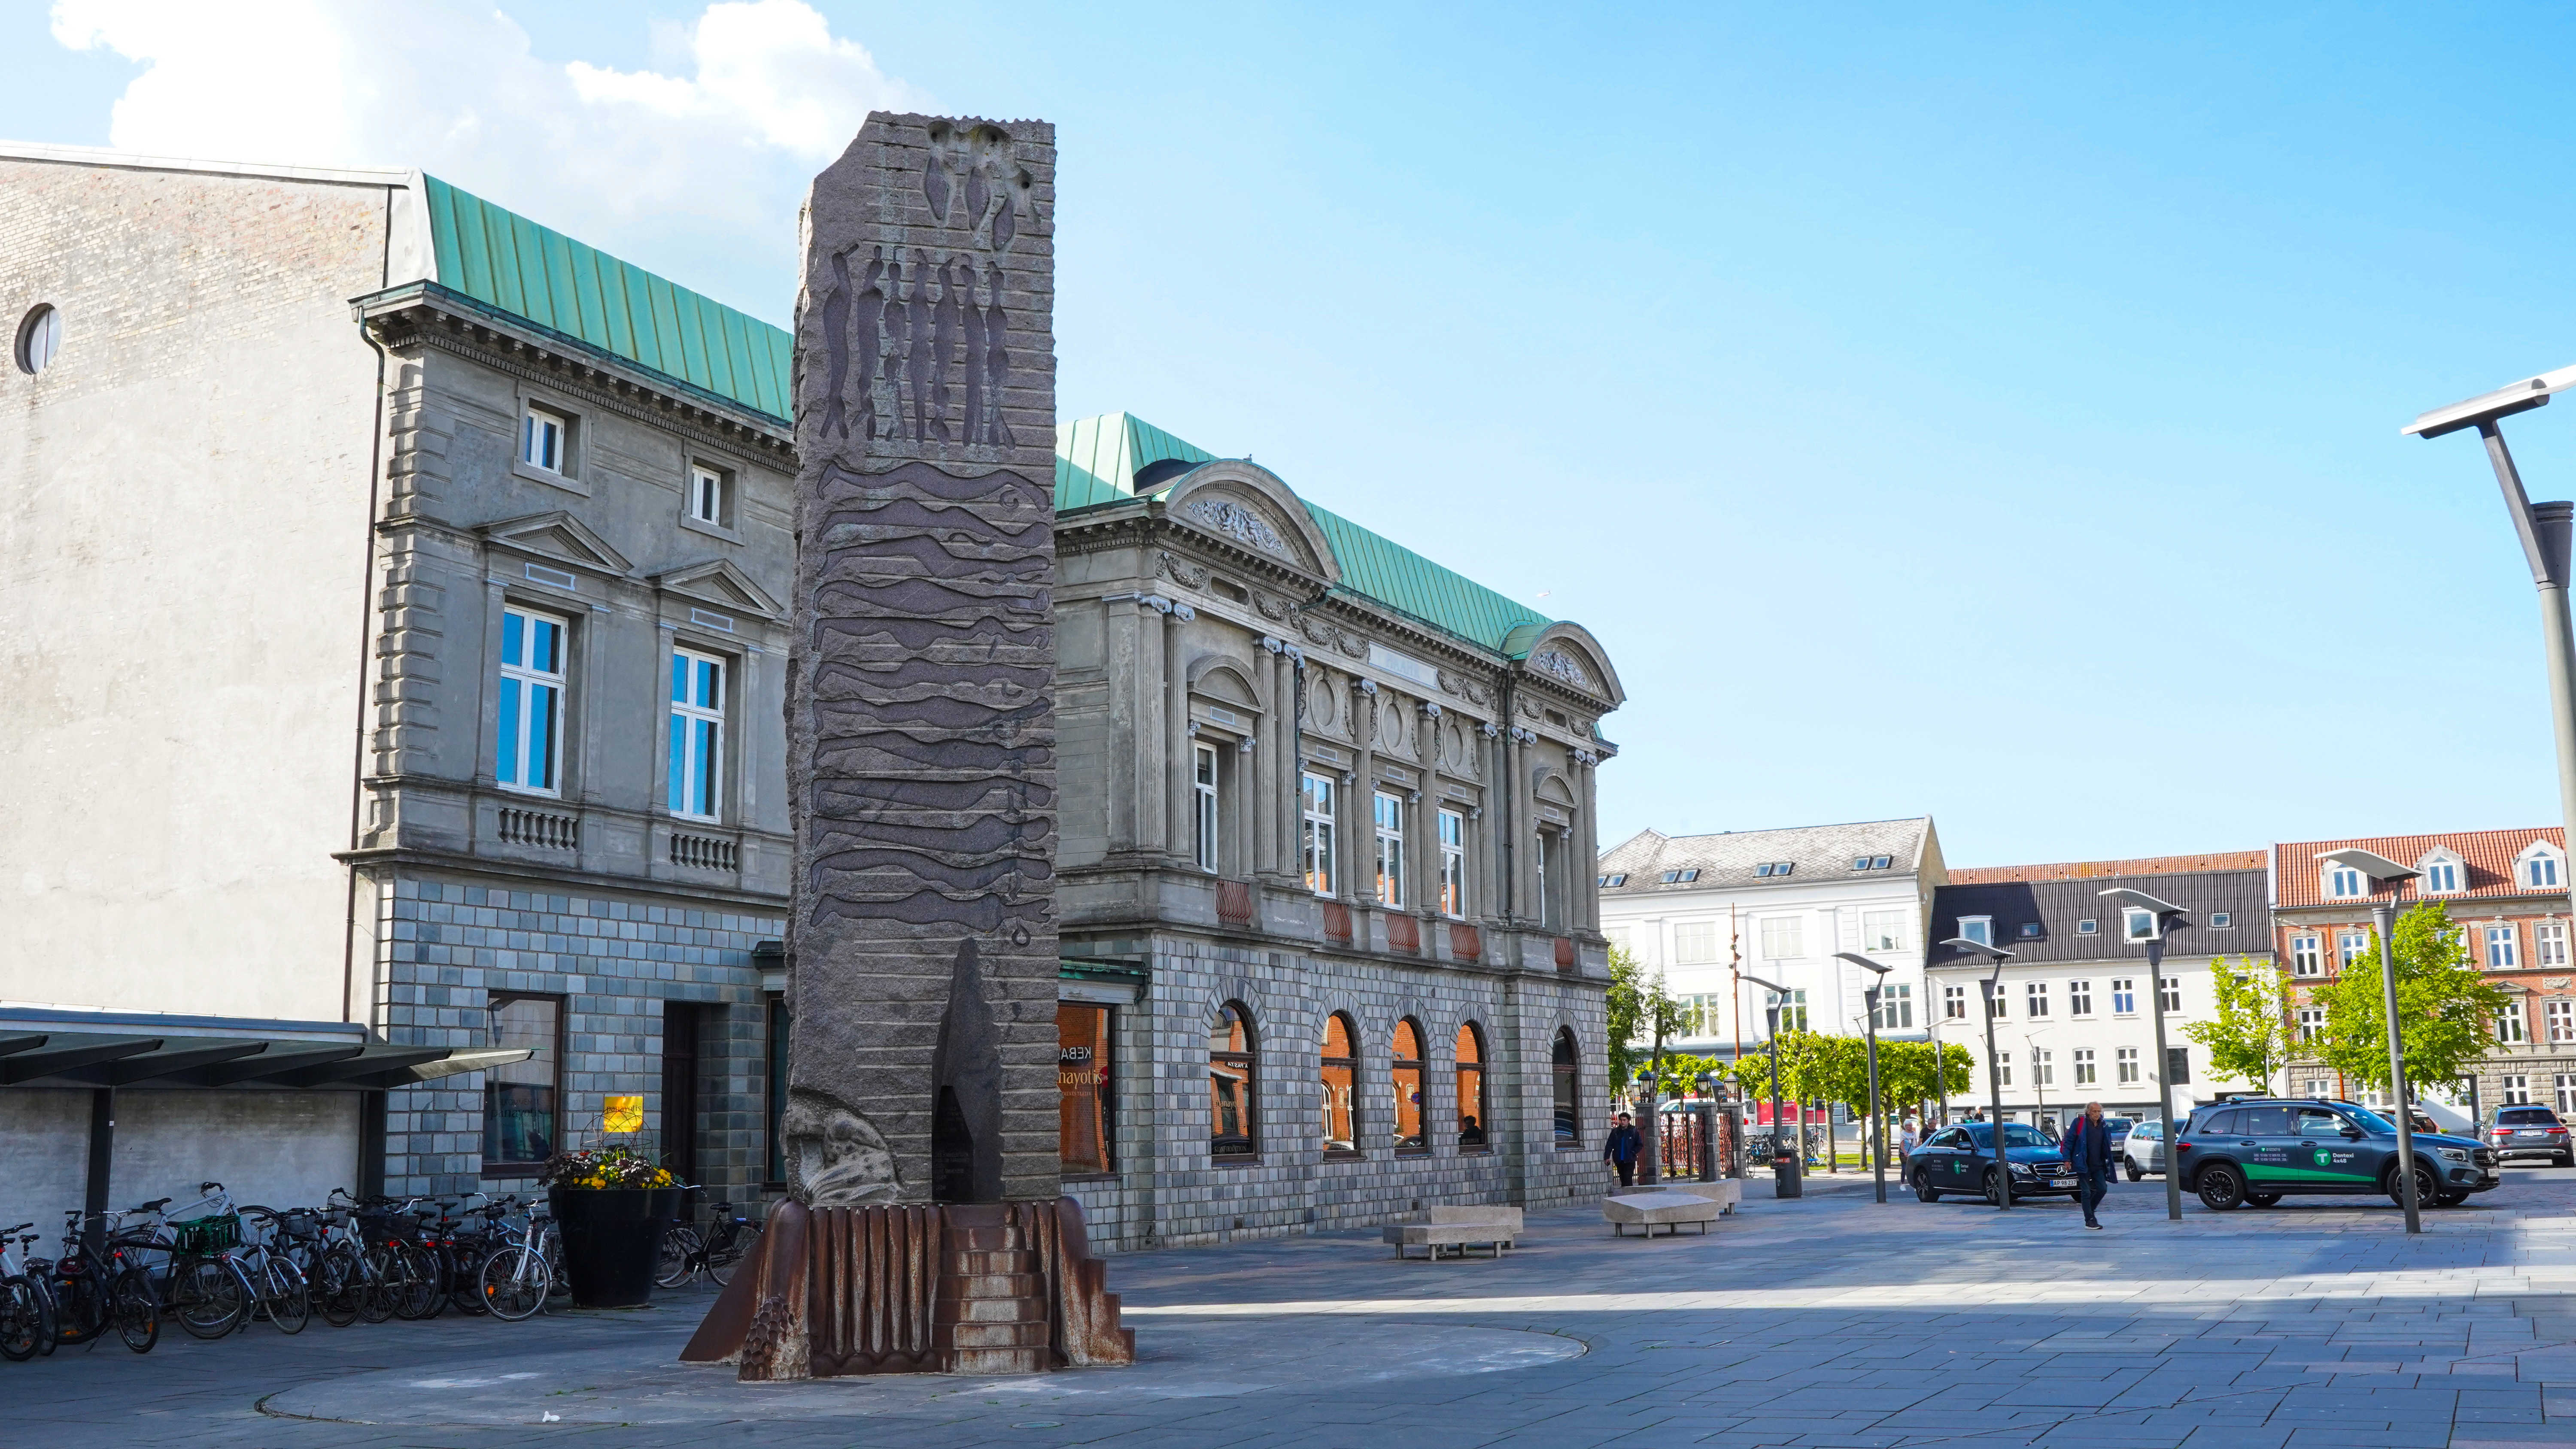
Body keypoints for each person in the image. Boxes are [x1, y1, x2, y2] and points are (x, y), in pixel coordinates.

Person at [2062, 1100, 2113, 1229]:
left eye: (2099, 1112)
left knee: (2102, 1189)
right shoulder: (2079, 1123)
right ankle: (2089, 1220)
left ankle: (2090, 1211)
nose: (2097, 1114)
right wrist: (2067, 1160)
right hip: (2083, 1162)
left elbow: (2107, 1142)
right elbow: (2069, 1141)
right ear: (2088, 1112)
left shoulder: (2103, 1125)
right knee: (2086, 1192)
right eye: (2094, 1111)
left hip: (2098, 1164)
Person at [1603, 1112, 1642, 1187]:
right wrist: (1607, 1157)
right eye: (1621, 1120)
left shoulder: (1633, 1131)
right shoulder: (1616, 1132)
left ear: (1629, 1121)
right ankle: (1625, 1193)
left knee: (1628, 1179)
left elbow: (1640, 1145)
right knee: (1623, 1179)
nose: (1622, 1122)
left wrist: (1633, 1152)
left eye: (1624, 1120)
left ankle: (1628, 1193)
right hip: (1619, 1160)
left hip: (1630, 1160)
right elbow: (1609, 1145)